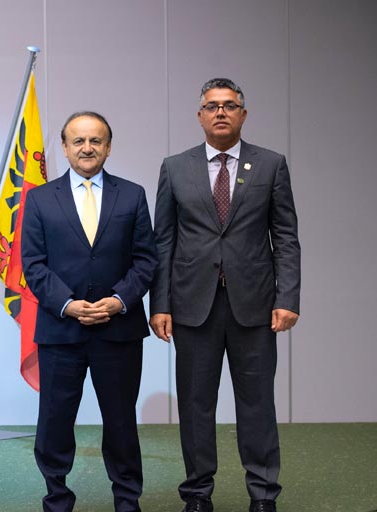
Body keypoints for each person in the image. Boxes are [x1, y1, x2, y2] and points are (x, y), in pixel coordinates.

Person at [149, 78, 301, 512]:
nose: (220, 112)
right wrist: (159, 304)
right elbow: (164, 241)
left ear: (243, 115)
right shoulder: (175, 167)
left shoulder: (271, 165)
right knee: (196, 406)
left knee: (257, 404)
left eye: (229, 105)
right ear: (199, 116)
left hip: (254, 306)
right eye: (212, 106)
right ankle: (198, 494)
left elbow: (285, 237)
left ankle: (263, 495)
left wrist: (287, 297)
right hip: (192, 307)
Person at [21, 111, 158, 512]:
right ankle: (57, 499)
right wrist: (67, 304)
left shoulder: (132, 195)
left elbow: (146, 260)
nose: (87, 148)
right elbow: (33, 264)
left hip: (118, 331)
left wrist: (119, 300)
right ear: (64, 148)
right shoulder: (40, 198)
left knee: (121, 422)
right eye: (78, 141)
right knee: (54, 423)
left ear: (108, 147)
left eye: (95, 140)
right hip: (61, 331)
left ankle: (127, 501)